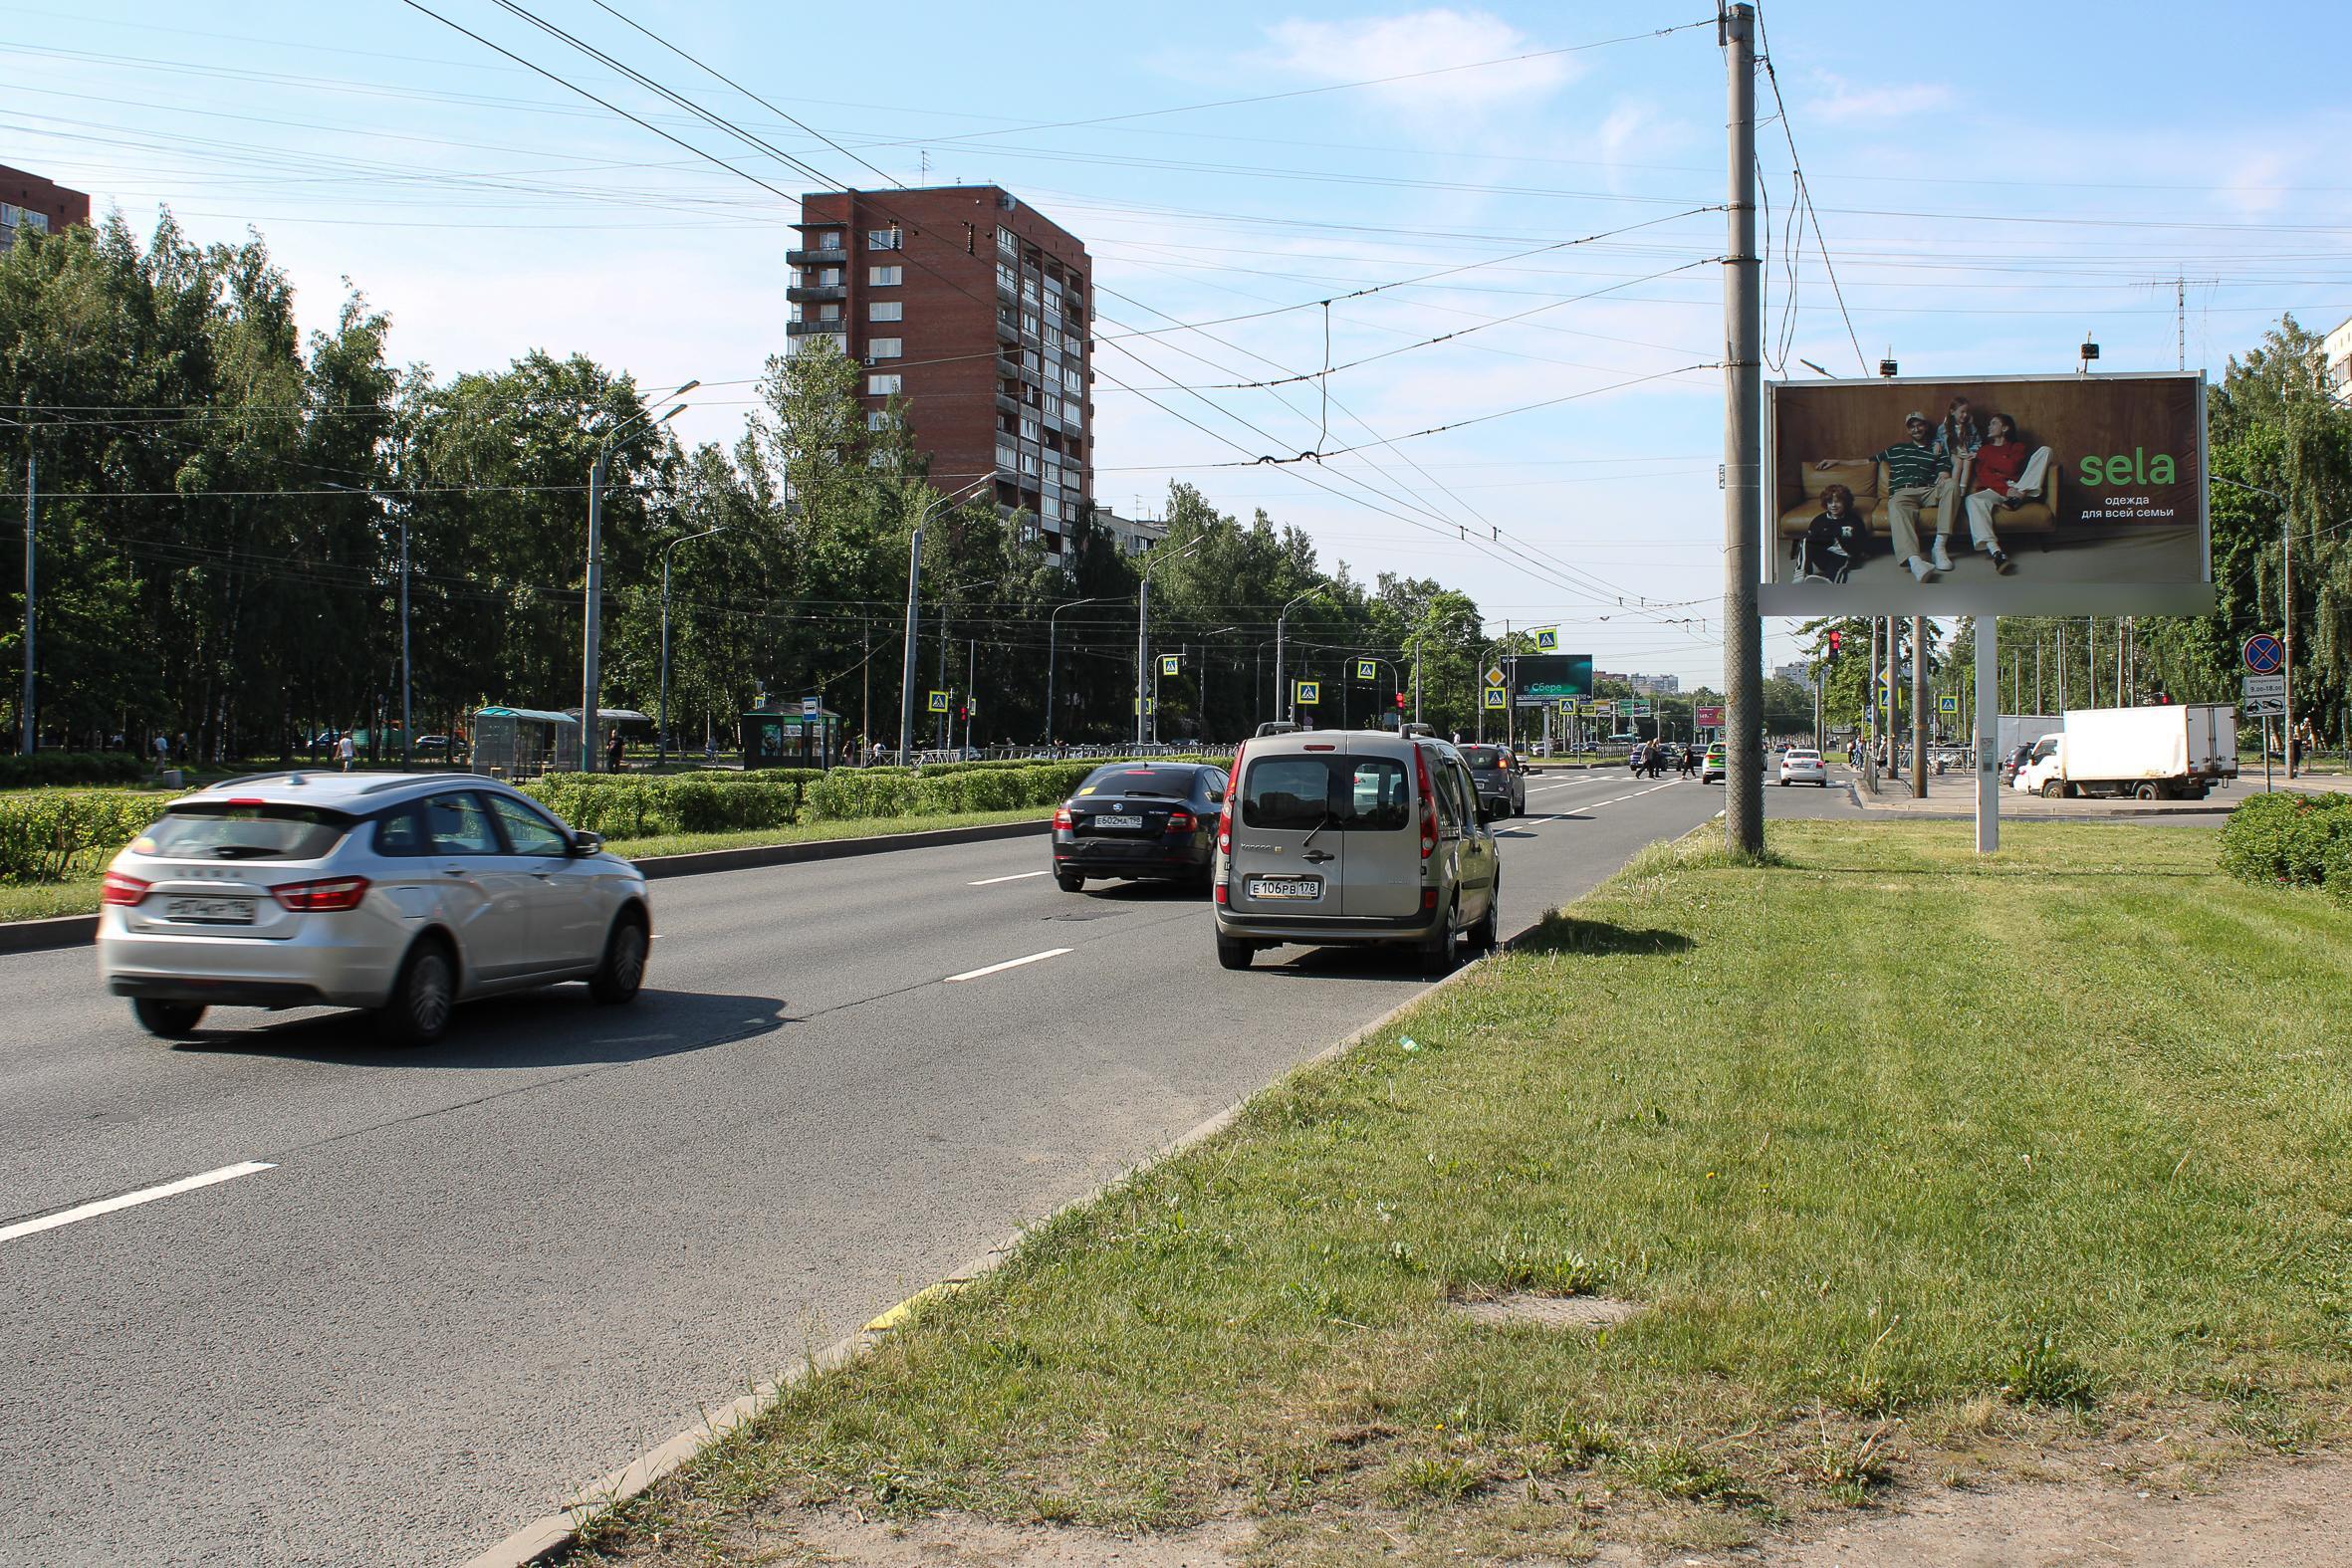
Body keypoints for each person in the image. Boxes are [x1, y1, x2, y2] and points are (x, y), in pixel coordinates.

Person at [1819, 413, 1954, 581]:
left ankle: (1939, 547)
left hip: (1928, 491)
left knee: (1952, 484)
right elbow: (1866, 461)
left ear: (1925, 427)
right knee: (1895, 505)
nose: (1916, 429)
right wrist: (1837, 461)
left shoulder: (1937, 450)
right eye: (1912, 426)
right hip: (1902, 493)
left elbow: (1945, 474)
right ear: (1908, 430)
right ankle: (1915, 562)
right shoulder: (1896, 449)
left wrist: (1943, 474)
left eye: (1919, 425)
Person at [1961, 412, 2052, 575]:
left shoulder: (2017, 447)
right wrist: (2006, 490)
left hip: (2021, 486)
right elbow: (1986, 476)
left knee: (2046, 450)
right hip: (1998, 489)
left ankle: (2020, 496)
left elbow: (2011, 468)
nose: (1990, 426)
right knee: (1972, 500)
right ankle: (1997, 552)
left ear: (2005, 428)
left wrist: (2015, 489)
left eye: (1994, 423)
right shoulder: (1984, 450)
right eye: (1989, 424)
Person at [1798, 483, 1871, 582]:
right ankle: (1801, 573)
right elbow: (1811, 542)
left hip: (1843, 556)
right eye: (1830, 502)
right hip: (1824, 555)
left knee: (1836, 568)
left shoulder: (1854, 521)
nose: (1833, 505)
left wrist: (1857, 555)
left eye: (1838, 502)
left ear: (1845, 503)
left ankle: (1831, 581)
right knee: (1806, 540)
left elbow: (1862, 541)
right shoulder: (1819, 521)